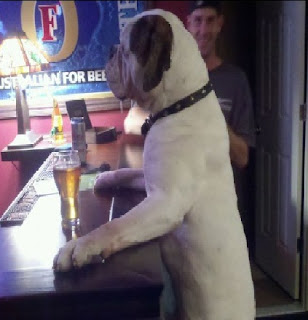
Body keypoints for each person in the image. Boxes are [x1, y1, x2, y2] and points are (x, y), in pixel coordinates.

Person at [124, 0, 256, 251]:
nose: (203, 30)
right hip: (168, 207)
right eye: (197, 21)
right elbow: (130, 122)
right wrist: (177, 120)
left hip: (213, 215)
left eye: (209, 21)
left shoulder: (236, 80)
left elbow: (242, 158)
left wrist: (213, 119)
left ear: (220, 24)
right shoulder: (167, 75)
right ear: (188, 25)